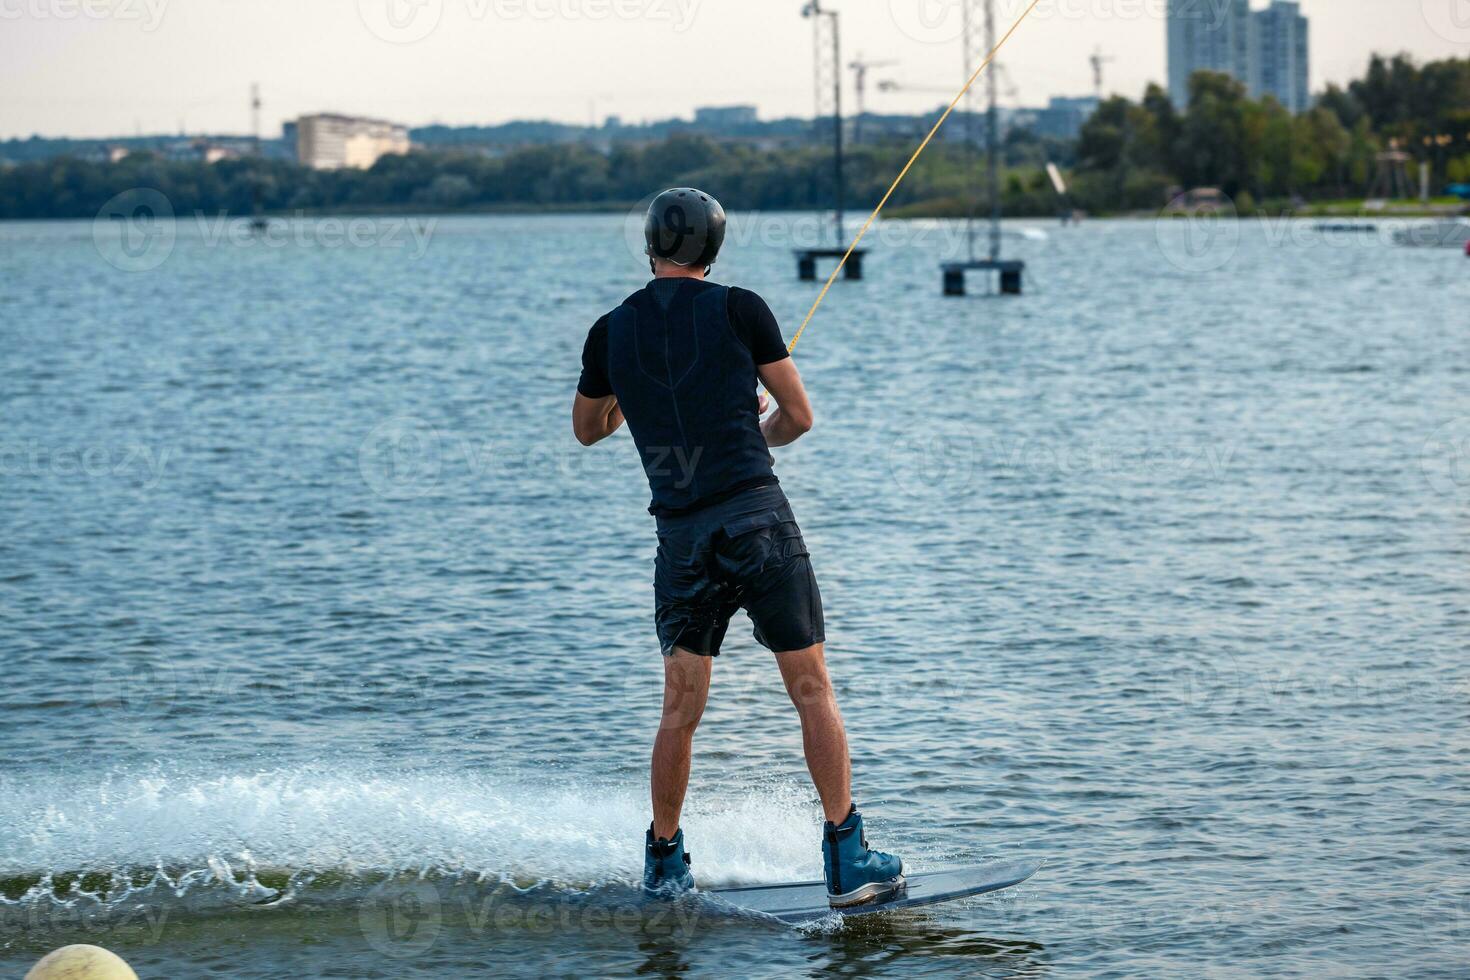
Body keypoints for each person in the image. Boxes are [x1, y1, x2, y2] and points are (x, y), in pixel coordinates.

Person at [572, 188, 903, 908]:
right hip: (758, 524)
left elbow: (589, 429)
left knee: (679, 707)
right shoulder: (741, 308)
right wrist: (759, 432)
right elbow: (799, 417)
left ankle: (664, 862)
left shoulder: (609, 331)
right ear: (713, 251)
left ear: (651, 246)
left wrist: (638, 389)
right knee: (811, 689)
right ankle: (848, 858)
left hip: (681, 539)